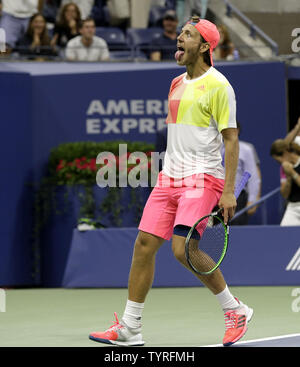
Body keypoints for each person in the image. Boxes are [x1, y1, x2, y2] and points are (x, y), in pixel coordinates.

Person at [89, 16, 253, 347]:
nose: (179, 38)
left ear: (205, 46)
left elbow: (232, 141)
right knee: (144, 245)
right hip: (169, 178)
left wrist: (228, 191)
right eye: (179, 33)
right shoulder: (176, 83)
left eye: (187, 35)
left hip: (203, 176)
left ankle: (235, 310)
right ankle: (131, 328)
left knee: (184, 250)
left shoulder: (220, 86)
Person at [222, 122, 261, 225]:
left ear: (237, 131)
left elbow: (253, 175)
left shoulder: (246, 149)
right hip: (216, 196)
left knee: (236, 230)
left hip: (237, 196)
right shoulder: (215, 148)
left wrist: (252, 200)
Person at [270, 140, 300, 226]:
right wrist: (289, 178)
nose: (279, 163)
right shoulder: (283, 168)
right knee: (283, 231)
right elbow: (285, 194)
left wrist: (292, 173)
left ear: (285, 153)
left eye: (278, 161)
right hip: (293, 207)